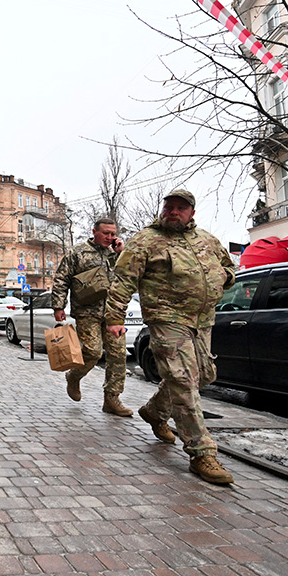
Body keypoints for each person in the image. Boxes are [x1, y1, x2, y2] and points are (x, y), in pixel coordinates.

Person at [104, 189, 238, 485]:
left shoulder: (207, 239)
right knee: (182, 380)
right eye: (169, 207)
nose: (173, 212)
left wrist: (224, 277)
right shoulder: (146, 240)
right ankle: (201, 452)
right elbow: (124, 279)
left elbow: (229, 267)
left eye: (180, 208)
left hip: (202, 320)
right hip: (166, 318)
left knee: (203, 375)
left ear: (191, 213)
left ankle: (155, 411)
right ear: (162, 209)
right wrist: (114, 317)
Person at [50, 217, 132, 417]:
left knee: (118, 355)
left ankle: (112, 399)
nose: (110, 237)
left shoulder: (117, 254)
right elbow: (62, 279)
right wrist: (58, 305)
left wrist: (121, 253)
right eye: (105, 233)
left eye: (113, 234)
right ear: (94, 231)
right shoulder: (77, 253)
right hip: (87, 311)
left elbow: (128, 274)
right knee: (93, 352)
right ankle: (74, 377)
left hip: (113, 312)